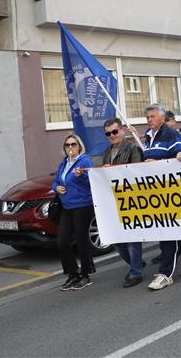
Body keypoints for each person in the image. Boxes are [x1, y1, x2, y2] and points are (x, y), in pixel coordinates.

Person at [142, 104, 181, 290]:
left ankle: (165, 273)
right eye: (148, 117)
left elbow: (179, 155)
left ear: (162, 117)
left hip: (171, 190)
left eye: (153, 116)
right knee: (168, 228)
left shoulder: (170, 134)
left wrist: (159, 162)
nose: (149, 120)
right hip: (155, 191)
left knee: (168, 231)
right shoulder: (147, 136)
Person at [101, 119, 144, 288]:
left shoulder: (133, 148)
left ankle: (136, 272)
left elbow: (135, 172)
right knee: (117, 239)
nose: (112, 136)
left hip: (130, 199)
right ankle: (137, 264)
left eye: (114, 131)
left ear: (122, 131)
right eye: (108, 133)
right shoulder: (106, 152)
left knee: (132, 238)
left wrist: (112, 171)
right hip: (113, 201)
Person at [53, 134, 95, 291]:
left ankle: (85, 275)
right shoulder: (64, 163)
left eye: (73, 144)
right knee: (62, 241)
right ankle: (73, 274)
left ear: (79, 146)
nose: (70, 147)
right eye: (67, 145)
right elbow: (56, 180)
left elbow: (92, 180)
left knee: (81, 240)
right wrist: (56, 188)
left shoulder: (84, 161)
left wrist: (82, 175)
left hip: (82, 205)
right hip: (67, 206)